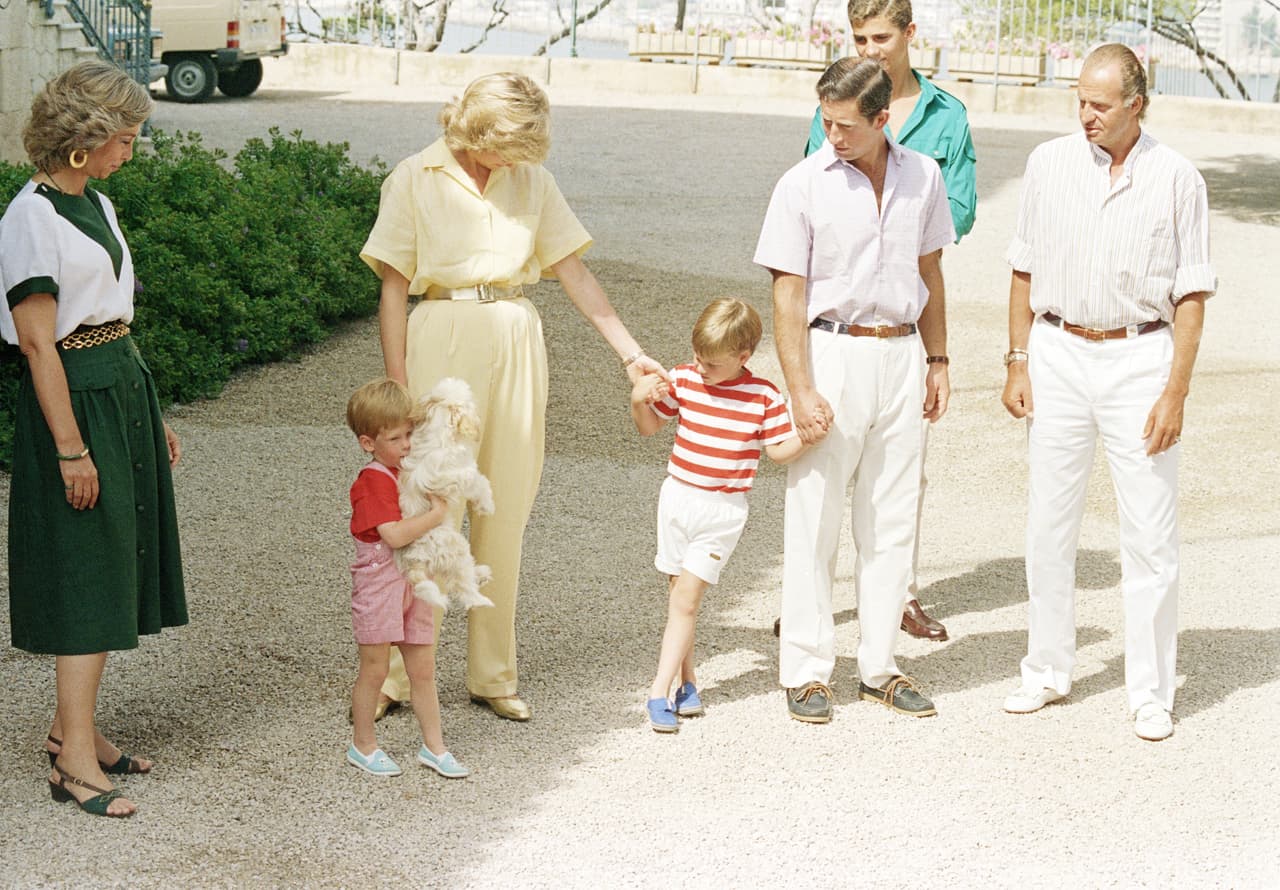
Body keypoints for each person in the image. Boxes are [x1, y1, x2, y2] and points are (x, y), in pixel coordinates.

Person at [360, 72, 667, 723]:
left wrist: (631, 353)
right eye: (507, 146)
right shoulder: (414, 177)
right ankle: (393, 675)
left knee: (507, 510)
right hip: (440, 338)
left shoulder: (532, 179)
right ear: (473, 130)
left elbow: (574, 272)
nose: (518, 160)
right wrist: (396, 388)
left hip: (516, 338)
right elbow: (393, 288)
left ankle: (492, 675)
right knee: (430, 513)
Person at [999, 44, 1213, 742]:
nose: (1084, 114)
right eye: (1079, 101)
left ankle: (1149, 692)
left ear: (1136, 105)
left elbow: (1191, 293)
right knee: (1048, 524)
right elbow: (1023, 271)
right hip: (1058, 350)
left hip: (1140, 357)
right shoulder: (1047, 165)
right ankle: (1046, 671)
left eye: (1099, 104)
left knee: (1150, 534)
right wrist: (1018, 361)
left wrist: (1175, 389)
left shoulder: (1179, 178)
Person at [0, 60, 187, 818]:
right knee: (86, 571)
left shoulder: (97, 205)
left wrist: (151, 411)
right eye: (125, 138)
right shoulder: (29, 221)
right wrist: (72, 449)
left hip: (121, 393)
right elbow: (41, 346)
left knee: (113, 564)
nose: (130, 151)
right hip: (71, 403)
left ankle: (69, 730)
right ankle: (73, 761)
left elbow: (111, 315)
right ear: (84, 142)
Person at [755, 57, 954, 724]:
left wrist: (939, 359)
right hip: (831, 350)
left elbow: (930, 271)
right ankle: (808, 671)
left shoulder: (923, 177)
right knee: (814, 517)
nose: (831, 135)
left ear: (881, 119)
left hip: (900, 352)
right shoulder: (801, 184)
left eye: (844, 125)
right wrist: (800, 387)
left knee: (892, 518)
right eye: (825, 121)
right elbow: (787, 293)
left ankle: (880, 665)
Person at [784, 0, 976, 642]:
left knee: (896, 492)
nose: (870, 48)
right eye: (858, 37)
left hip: (900, 321)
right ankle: (808, 623)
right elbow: (813, 212)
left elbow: (954, 218)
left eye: (881, 37)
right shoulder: (831, 121)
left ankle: (895, 612)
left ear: (909, 35)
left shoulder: (945, 123)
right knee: (821, 489)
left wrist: (904, 206)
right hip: (839, 328)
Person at [630, 298, 814, 733]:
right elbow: (649, 426)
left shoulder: (763, 396)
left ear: (743, 357)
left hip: (722, 510)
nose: (701, 367)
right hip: (676, 498)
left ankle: (657, 691)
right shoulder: (683, 379)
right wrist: (639, 400)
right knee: (680, 602)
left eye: (711, 362)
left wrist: (806, 436)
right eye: (697, 357)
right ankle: (688, 683)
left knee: (686, 601)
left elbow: (777, 452)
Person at [343, 379, 469, 778]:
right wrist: (436, 514)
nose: (407, 445)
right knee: (376, 668)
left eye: (410, 434)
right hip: (381, 580)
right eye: (396, 438)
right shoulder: (373, 480)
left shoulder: (405, 474)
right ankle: (363, 745)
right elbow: (393, 535)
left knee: (423, 668)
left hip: (414, 578)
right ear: (368, 443)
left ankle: (435, 746)